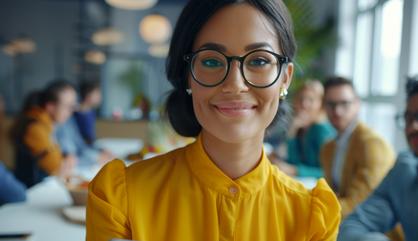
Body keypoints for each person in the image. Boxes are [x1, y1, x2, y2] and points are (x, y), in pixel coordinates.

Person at [86, 1, 341, 241]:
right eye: (211, 61)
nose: (235, 84)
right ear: (188, 77)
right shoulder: (122, 197)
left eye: (259, 61)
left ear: (285, 78)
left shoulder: (311, 217)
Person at [337, 77, 418, 241]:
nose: (413, 127)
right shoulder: (405, 172)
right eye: (409, 118)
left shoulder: (372, 144)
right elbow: (352, 226)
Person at [11, 80, 78, 187]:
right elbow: (57, 168)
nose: (71, 112)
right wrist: (67, 161)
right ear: (50, 107)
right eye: (67, 107)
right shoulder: (36, 128)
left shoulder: (47, 124)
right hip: (33, 191)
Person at [271, 80, 335, 178]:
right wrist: (293, 130)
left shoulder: (322, 130)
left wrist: (294, 170)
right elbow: (293, 160)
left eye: (311, 100)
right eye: (301, 99)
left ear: (321, 104)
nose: (304, 104)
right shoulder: (301, 128)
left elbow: (329, 173)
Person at [73, 80, 101, 145]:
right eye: (96, 94)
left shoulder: (91, 112)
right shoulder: (77, 113)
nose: (99, 97)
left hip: (90, 143)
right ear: (88, 96)